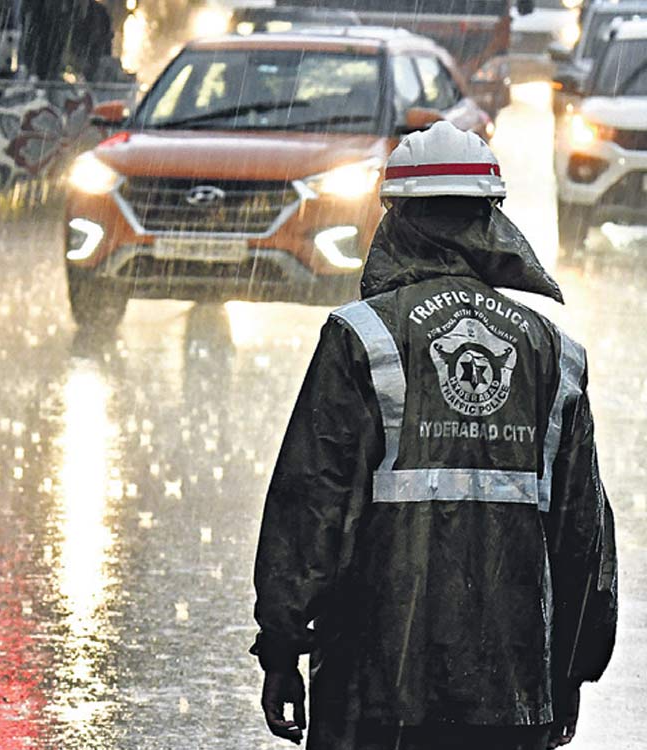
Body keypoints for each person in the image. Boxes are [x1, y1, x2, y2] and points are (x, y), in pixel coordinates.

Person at [251, 121, 618, 750]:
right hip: (511, 686)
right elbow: (583, 534)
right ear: (490, 220)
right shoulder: (553, 352)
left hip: (373, 687)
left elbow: (312, 503)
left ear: (395, 218)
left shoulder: (362, 336)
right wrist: (570, 672)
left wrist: (283, 647)